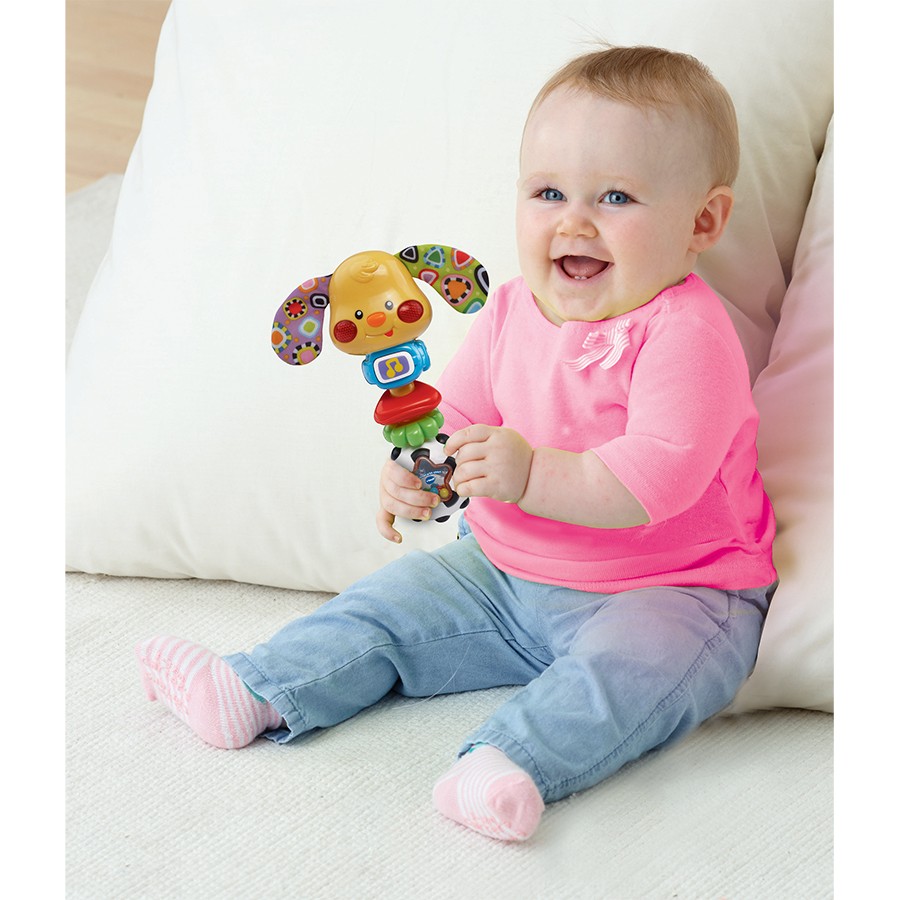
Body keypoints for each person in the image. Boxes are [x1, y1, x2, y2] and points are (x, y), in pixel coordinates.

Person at [137, 45, 777, 843]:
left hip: (673, 587)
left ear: (702, 222)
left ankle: (510, 762)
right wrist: (421, 473)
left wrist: (530, 473)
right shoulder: (510, 310)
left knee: (634, 675)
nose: (573, 221)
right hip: (501, 571)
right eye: (548, 192)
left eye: (615, 197)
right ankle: (258, 688)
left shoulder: (686, 332)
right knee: (388, 607)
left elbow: (661, 476)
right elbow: (457, 418)